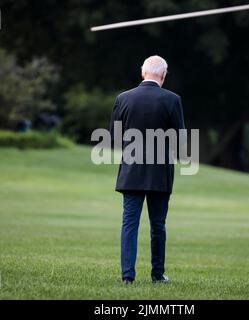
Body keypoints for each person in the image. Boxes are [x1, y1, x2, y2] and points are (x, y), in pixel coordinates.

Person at [109, 55, 186, 285]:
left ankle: (127, 277)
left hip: (131, 171)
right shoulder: (173, 99)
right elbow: (180, 141)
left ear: (143, 73)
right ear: (163, 75)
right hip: (159, 173)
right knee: (158, 225)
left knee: (129, 223)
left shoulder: (123, 98)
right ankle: (157, 274)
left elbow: (113, 138)